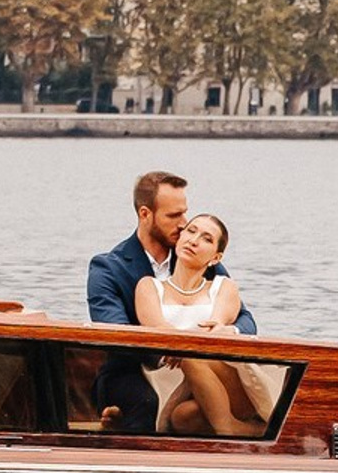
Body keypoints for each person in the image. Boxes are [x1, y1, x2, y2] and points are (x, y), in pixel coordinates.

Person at [86, 168, 255, 432]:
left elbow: (243, 318)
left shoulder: (199, 258)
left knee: (194, 411)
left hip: (202, 367)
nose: (183, 224)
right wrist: (173, 347)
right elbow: (116, 335)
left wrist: (227, 331)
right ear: (145, 214)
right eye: (174, 215)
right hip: (134, 369)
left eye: (185, 212)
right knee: (145, 402)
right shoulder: (108, 267)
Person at [135, 212, 269, 437]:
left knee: (191, 351)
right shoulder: (149, 286)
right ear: (179, 238)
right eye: (191, 231)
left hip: (225, 379)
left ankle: (226, 426)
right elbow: (158, 330)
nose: (194, 240)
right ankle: (253, 430)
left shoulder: (223, 287)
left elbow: (212, 331)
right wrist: (184, 344)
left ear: (216, 258)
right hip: (170, 378)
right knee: (184, 417)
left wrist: (184, 347)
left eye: (207, 238)